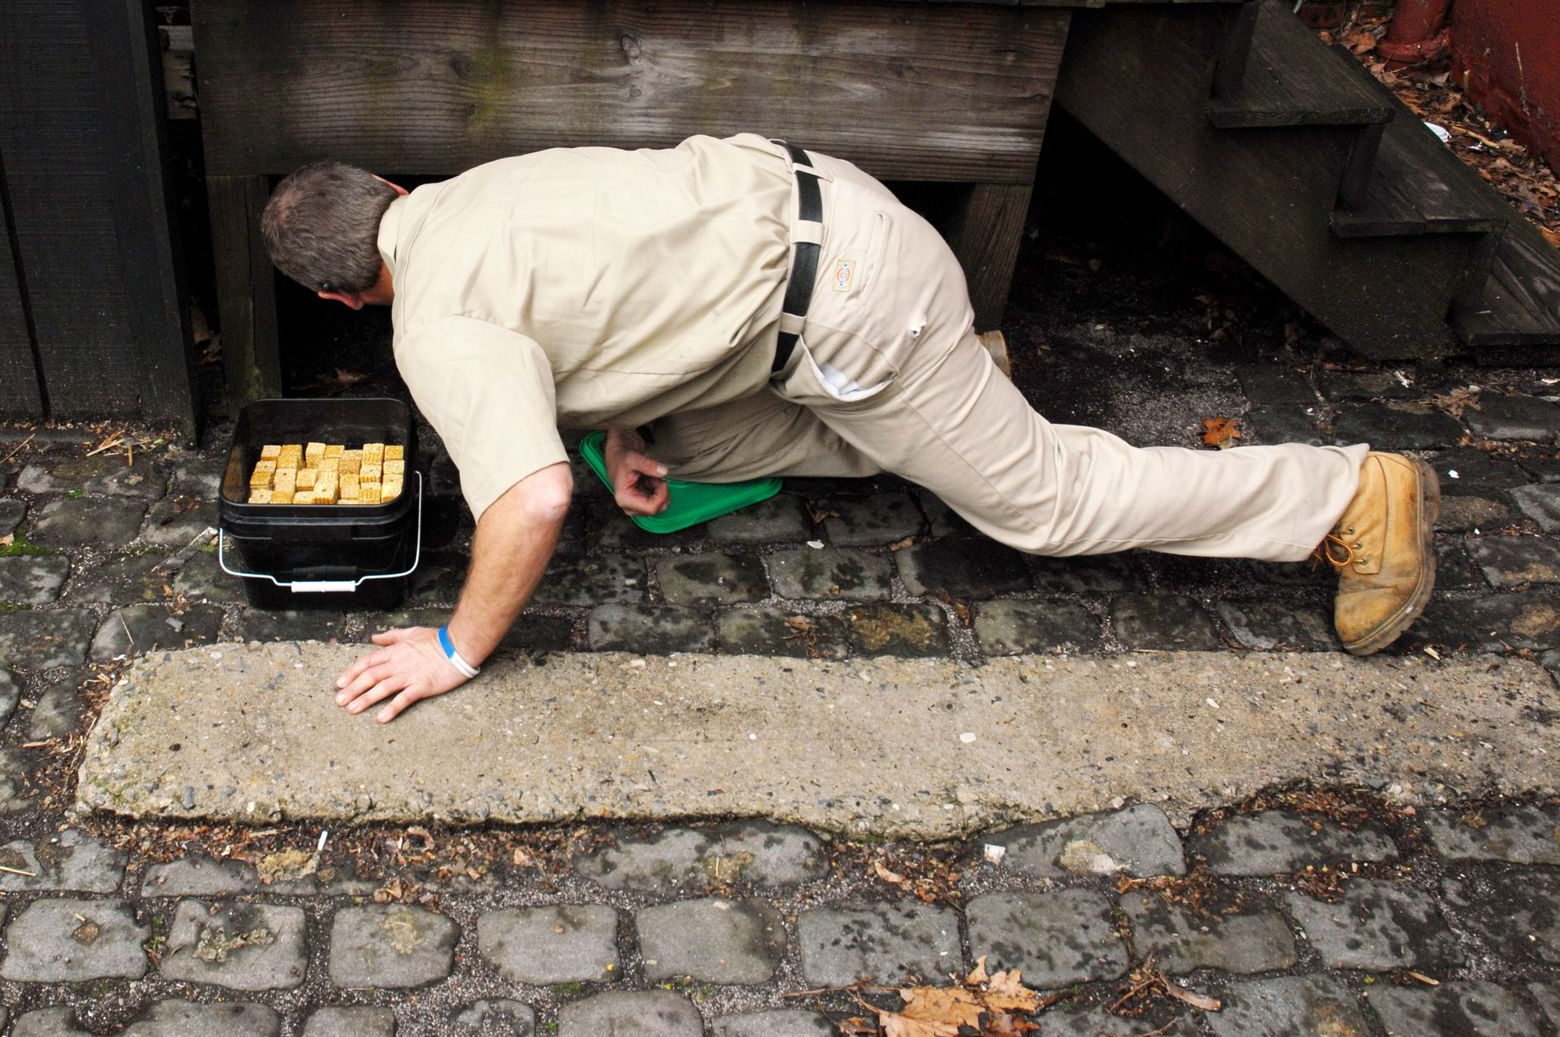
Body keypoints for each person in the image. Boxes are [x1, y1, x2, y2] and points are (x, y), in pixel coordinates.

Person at [260, 134, 1437, 723]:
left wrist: (455, 651)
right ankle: (960, 387)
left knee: (1042, 506)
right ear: (389, 196)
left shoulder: (433, 330)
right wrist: (620, 430)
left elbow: (529, 499)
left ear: (335, 298)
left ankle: (1345, 495)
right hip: (838, 215)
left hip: (857, 309)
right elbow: (612, 300)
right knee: (687, 455)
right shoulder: (470, 194)